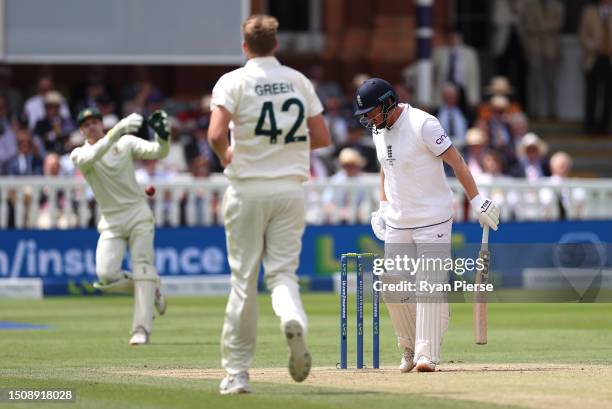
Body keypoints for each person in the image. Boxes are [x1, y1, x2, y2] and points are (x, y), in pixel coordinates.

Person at [208, 14, 331, 394]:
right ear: (276, 45)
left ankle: (238, 373)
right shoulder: (298, 81)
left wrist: (227, 153)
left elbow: (214, 133)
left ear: (245, 46)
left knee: (244, 281)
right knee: (282, 275)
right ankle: (293, 318)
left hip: (247, 189)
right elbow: (322, 137)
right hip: (290, 190)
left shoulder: (234, 81)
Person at [354, 78, 500, 372]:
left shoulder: (424, 124)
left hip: (433, 217)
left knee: (429, 285)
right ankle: (409, 347)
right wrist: (383, 206)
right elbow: (386, 167)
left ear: (388, 102)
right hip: (398, 221)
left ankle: (427, 355)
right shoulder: (379, 132)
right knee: (392, 286)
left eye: (372, 111)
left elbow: (456, 161)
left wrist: (476, 200)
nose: (369, 119)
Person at [70, 107, 170, 345]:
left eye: (95, 122)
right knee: (105, 276)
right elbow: (90, 158)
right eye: (86, 124)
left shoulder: (124, 142)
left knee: (143, 267)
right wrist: (117, 131)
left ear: (101, 124)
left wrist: (163, 136)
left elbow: (159, 152)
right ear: (82, 130)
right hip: (111, 222)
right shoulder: (79, 154)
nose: (92, 126)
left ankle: (141, 330)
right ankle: (151, 287)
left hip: (137, 214)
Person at [578, 0, 612, 134]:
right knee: (591, 93)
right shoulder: (589, 12)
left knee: (608, 95)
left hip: (609, 59)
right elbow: (582, 34)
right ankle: (589, 126)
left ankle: (604, 127)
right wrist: (595, 47)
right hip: (593, 58)